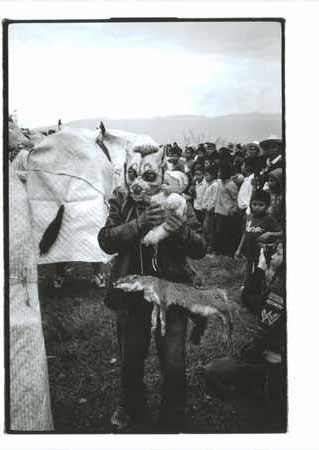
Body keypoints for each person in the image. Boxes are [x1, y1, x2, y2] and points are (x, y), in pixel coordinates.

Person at [97, 141, 206, 431]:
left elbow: (200, 247)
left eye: (147, 176)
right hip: (131, 295)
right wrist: (140, 223)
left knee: (173, 361)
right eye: (132, 175)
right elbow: (106, 240)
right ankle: (133, 408)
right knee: (131, 360)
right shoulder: (121, 197)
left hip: (172, 294)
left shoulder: (176, 198)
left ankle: (174, 412)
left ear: (160, 171)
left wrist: (178, 226)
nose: (138, 183)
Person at [202, 242, 286, 432]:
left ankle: (261, 393)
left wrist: (261, 269)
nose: (272, 255)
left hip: (273, 358)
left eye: (278, 252)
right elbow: (255, 303)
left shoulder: (280, 288)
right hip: (276, 351)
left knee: (211, 370)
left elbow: (251, 303)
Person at [234, 189, 282, 286]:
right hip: (249, 251)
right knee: (248, 269)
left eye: (261, 205)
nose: (257, 207)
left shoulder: (269, 219)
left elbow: (281, 233)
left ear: (267, 206)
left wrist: (269, 234)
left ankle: (259, 291)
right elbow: (245, 233)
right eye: (254, 204)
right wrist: (239, 249)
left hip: (262, 254)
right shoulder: (249, 217)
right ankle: (246, 287)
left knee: (259, 272)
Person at [214, 163, 239, 256]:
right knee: (219, 232)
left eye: (220, 171)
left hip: (227, 213)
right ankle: (220, 251)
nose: (218, 173)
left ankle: (226, 252)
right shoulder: (221, 183)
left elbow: (236, 198)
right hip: (220, 211)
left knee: (226, 233)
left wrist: (233, 210)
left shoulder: (231, 185)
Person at [201, 165, 220, 254]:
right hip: (206, 209)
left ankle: (210, 247)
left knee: (209, 229)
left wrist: (209, 209)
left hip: (210, 211)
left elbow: (213, 198)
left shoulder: (215, 185)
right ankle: (206, 245)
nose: (205, 177)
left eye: (207, 175)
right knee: (206, 228)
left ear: (213, 175)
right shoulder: (209, 184)